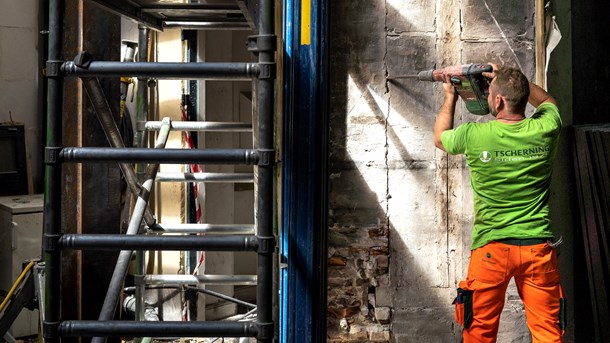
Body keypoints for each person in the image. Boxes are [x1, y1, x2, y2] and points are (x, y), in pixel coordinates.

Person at [434, 63, 565, 343]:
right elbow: (549, 102)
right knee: (549, 335)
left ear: (497, 101)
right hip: (537, 249)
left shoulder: (473, 135)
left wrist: (450, 97)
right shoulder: (546, 127)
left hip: (491, 250)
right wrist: (515, 80)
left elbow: (439, 138)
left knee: (479, 334)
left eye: (491, 92)